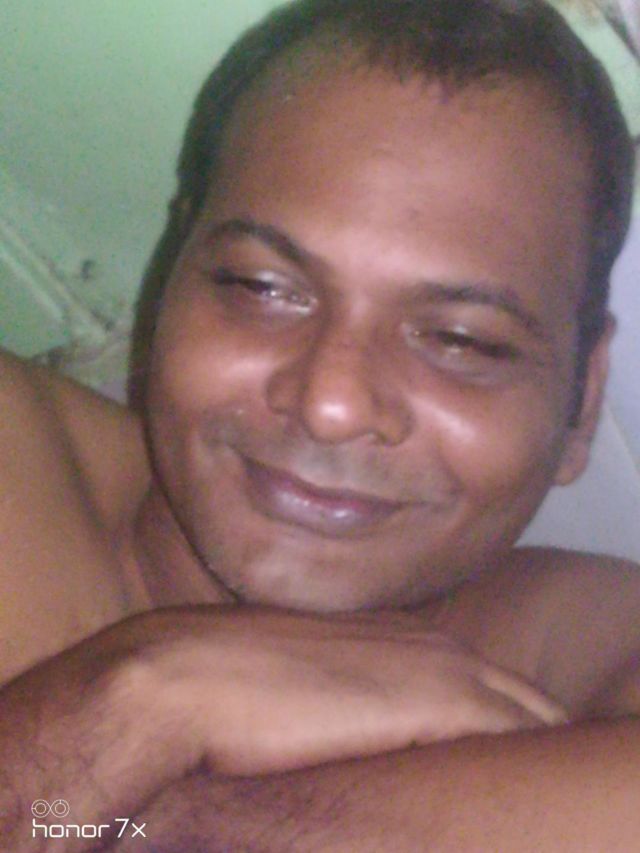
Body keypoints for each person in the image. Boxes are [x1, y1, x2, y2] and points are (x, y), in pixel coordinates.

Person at [1, 0, 639, 849]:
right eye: (261, 287)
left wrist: (133, 772)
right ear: (170, 274)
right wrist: (125, 699)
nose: (331, 403)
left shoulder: (570, 639)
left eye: (461, 340)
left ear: (581, 404)